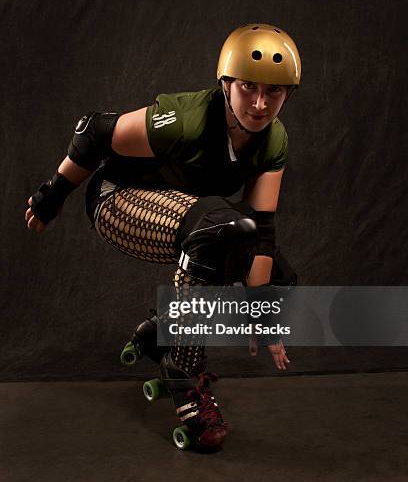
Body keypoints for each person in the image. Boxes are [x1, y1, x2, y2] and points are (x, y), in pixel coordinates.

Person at [25, 23, 301, 450]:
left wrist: (261, 313)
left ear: (288, 95)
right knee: (217, 231)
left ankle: (165, 328)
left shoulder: (273, 139)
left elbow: (260, 231)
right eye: (248, 87)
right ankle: (184, 377)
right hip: (117, 201)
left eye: (274, 93)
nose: (261, 104)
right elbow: (93, 130)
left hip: (183, 214)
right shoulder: (189, 119)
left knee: (277, 276)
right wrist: (53, 194)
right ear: (226, 83)